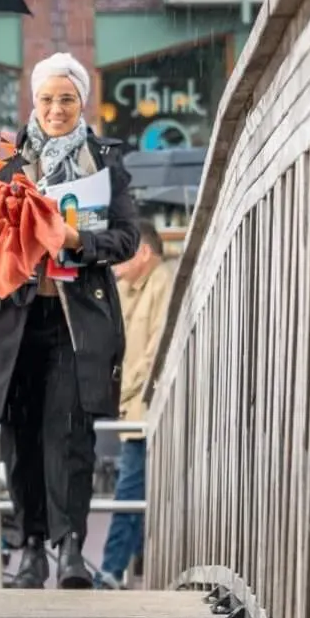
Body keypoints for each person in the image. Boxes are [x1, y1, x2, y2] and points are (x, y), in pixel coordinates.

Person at [0, 53, 140, 590]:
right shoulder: (1, 155)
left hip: (74, 320)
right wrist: (6, 220)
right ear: (32, 102)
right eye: (46, 99)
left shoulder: (104, 158)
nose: (56, 109)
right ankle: (32, 546)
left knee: (71, 435)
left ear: (82, 102)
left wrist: (80, 241)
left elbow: (128, 236)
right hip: (12, 317)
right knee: (20, 435)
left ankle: (71, 545)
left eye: (67, 99)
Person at [98, 229, 175, 587]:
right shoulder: (124, 289)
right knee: (136, 492)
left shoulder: (164, 284)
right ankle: (137, 564)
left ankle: (110, 570)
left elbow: (154, 355)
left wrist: (119, 390)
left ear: (143, 252)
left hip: (148, 410)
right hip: (130, 410)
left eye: (122, 253)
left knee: (129, 491)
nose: (114, 262)